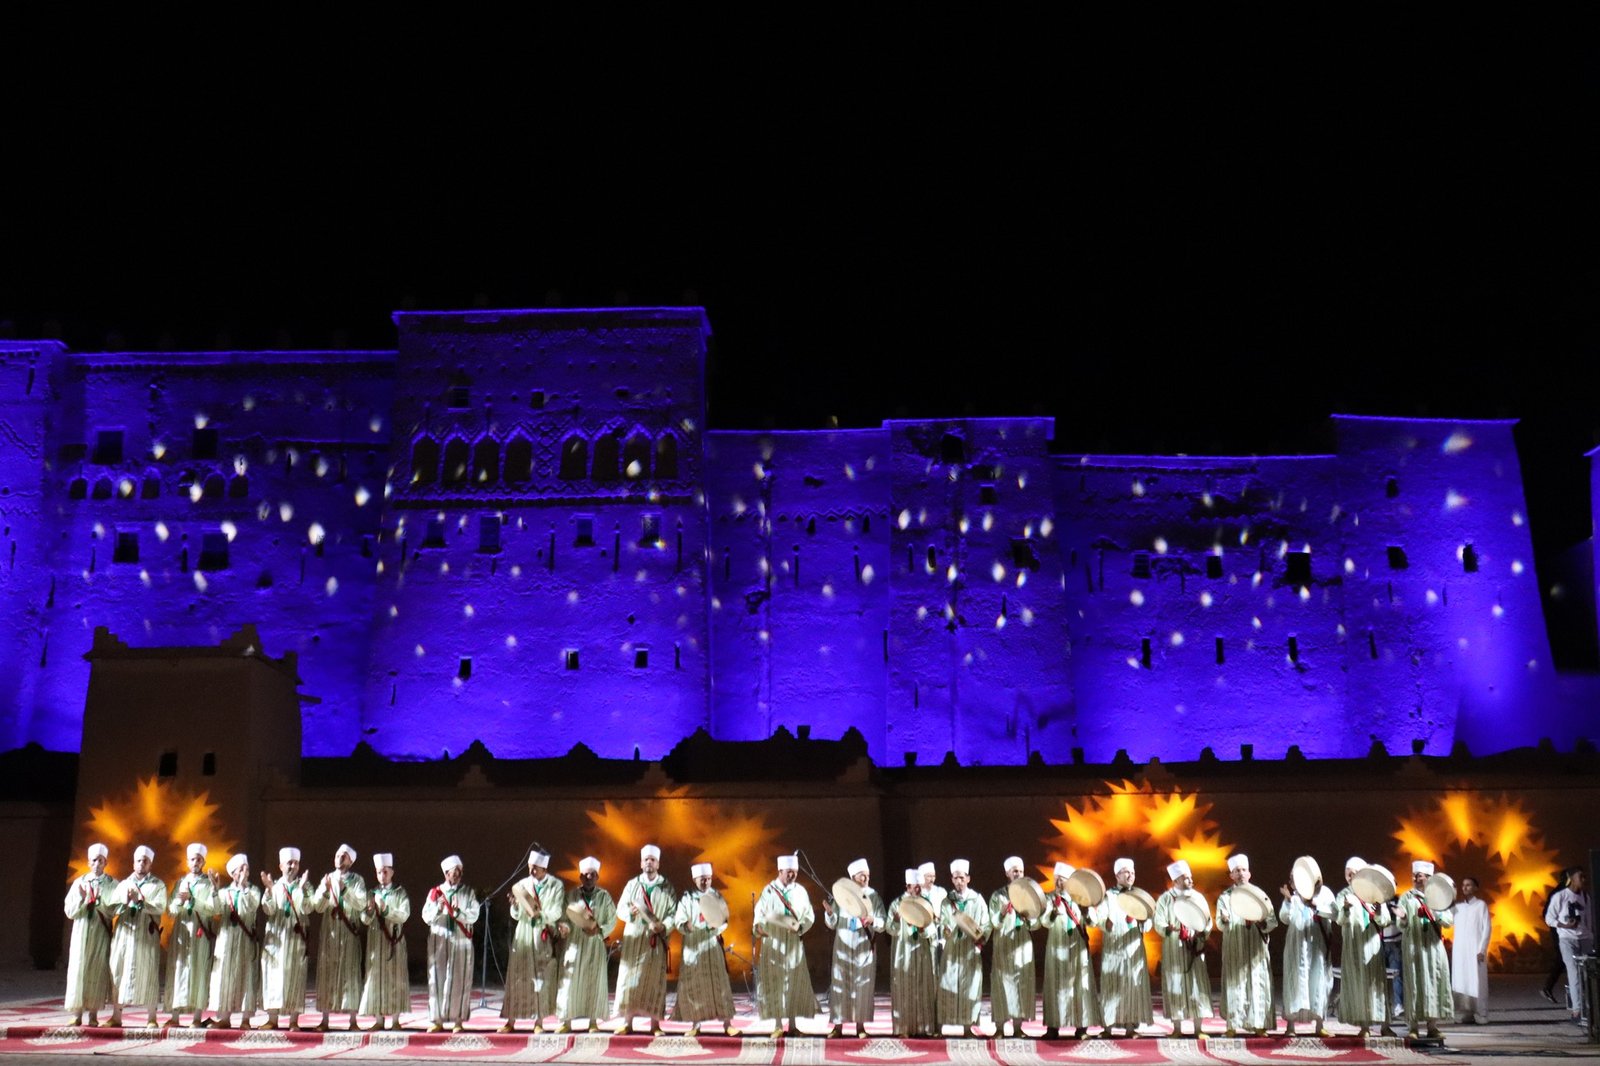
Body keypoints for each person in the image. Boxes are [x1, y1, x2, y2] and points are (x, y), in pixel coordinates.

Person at [612, 844, 676, 1034]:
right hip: (634, 938)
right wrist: (630, 913)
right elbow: (620, 909)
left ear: (658, 864)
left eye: (652, 860)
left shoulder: (666, 887)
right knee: (629, 980)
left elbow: (673, 913)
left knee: (654, 981)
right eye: (646, 859)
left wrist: (663, 925)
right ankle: (627, 1022)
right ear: (641, 863)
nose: (649, 862)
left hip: (654, 940)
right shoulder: (632, 885)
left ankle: (654, 1024)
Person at [499, 848, 564, 1033]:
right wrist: (515, 906)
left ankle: (539, 1022)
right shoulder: (522, 885)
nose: (532, 871)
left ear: (544, 869)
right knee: (518, 976)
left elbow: (557, 911)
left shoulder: (555, 885)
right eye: (530, 867)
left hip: (542, 934)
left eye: (536, 867)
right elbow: (517, 915)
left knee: (541, 978)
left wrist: (540, 915)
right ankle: (511, 1021)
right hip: (524, 933)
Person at [752, 854, 817, 1038]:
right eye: (789, 872)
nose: (792, 875)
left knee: (794, 982)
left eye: (795, 872)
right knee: (775, 982)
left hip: (793, 944)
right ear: (780, 870)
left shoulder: (801, 891)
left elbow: (809, 914)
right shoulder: (769, 891)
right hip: (774, 942)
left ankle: (793, 1025)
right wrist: (758, 927)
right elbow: (760, 912)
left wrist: (800, 927)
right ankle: (778, 1025)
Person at [670, 862, 737, 1036]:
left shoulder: (716, 895)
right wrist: (687, 925)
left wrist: (716, 926)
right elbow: (679, 920)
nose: (705, 882)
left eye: (708, 878)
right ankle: (696, 1025)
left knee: (720, 983)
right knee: (694, 985)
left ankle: (727, 1024)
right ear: (695, 879)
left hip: (712, 943)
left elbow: (725, 919)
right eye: (702, 879)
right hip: (693, 946)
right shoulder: (687, 898)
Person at [1215, 854, 1276, 1037]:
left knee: (1258, 982)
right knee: (1235, 983)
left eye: (1243, 870)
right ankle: (1232, 1026)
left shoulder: (1259, 894)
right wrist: (1225, 920)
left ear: (1249, 873)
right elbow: (1219, 923)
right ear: (1231, 875)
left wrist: (1263, 922)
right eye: (1237, 871)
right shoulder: (1225, 897)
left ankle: (1259, 1025)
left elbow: (1272, 920)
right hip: (1235, 944)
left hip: (1256, 946)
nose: (1241, 873)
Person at [1333, 857, 1394, 1037]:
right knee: (1359, 985)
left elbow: (1385, 921)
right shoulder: (1343, 895)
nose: (1350, 876)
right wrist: (1345, 908)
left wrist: (1379, 911)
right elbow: (1339, 920)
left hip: (1372, 944)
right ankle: (1364, 1026)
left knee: (1377, 985)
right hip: (1353, 945)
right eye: (1347, 873)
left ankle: (1384, 1025)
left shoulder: (1374, 892)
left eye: (1354, 873)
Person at [108, 844, 168, 1027]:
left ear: (150, 864)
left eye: (145, 861)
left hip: (145, 934)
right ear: (133, 863)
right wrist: (125, 900)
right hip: (125, 934)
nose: (141, 864)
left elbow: (160, 907)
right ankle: (116, 1016)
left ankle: (152, 1018)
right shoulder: (124, 884)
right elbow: (111, 908)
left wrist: (141, 901)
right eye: (139, 861)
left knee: (148, 972)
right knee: (119, 970)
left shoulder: (157, 885)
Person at [555, 856, 616, 1032]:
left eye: (593, 875)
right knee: (569, 981)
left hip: (595, 944)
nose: (589, 878)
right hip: (574, 943)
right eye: (586, 875)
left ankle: (593, 1022)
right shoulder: (571, 895)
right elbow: (564, 917)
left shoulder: (604, 897)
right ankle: (566, 1022)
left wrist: (600, 930)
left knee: (594, 981)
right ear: (580, 877)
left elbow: (612, 920)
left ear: (597, 877)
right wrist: (564, 927)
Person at [310, 843, 368, 1031]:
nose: (339, 858)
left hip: (349, 932)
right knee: (327, 972)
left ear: (350, 861)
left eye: (344, 856)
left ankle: (353, 1021)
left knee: (350, 973)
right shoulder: (327, 878)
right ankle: (325, 1020)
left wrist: (345, 890)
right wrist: (326, 892)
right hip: (331, 932)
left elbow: (361, 903)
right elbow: (318, 907)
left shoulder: (357, 880)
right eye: (337, 855)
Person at [824, 857, 883, 1037]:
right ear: (852, 878)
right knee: (840, 984)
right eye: (861, 875)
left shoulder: (873, 896)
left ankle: (860, 1027)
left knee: (862, 985)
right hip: (843, 945)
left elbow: (883, 922)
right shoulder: (841, 895)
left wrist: (873, 920)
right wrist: (830, 913)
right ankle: (838, 1027)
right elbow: (832, 923)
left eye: (867, 875)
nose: (865, 879)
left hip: (864, 946)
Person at [1095, 857, 1153, 1038]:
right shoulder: (1109, 896)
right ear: (1117, 875)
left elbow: (1148, 921)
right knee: (1111, 988)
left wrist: (1144, 923)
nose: (1130, 875)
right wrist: (1106, 923)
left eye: (1133, 872)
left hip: (1133, 948)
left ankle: (1130, 1027)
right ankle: (1108, 1028)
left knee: (1132, 987)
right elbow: (1100, 918)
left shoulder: (1138, 895)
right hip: (1114, 948)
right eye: (1126, 872)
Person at [1154, 859, 1212, 1038]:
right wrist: (1167, 929)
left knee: (1197, 985)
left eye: (1190, 877)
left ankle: (1198, 1028)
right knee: (1175, 984)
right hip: (1174, 947)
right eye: (1186, 878)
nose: (1190, 881)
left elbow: (1207, 920)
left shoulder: (1198, 897)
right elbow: (1158, 921)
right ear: (1176, 880)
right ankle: (1177, 1029)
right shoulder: (1165, 899)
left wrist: (1203, 932)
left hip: (1194, 947)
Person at [421, 854, 479, 1032]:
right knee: (437, 978)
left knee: (460, 980)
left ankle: (457, 1021)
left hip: (461, 942)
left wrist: (458, 912)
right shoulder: (435, 893)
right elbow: (426, 917)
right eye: (454, 873)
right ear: (446, 874)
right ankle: (437, 1020)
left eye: (460, 872)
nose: (457, 876)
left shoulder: (468, 892)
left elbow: (474, 914)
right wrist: (438, 908)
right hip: (439, 941)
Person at [1041, 861, 1098, 1039]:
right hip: (1056, 947)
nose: (1058, 883)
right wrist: (1052, 913)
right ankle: (1053, 1027)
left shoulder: (1081, 898)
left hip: (1077, 947)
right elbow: (1044, 922)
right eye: (1056, 879)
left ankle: (1081, 1027)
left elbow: (1093, 922)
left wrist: (1086, 912)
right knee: (1055, 986)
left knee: (1080, 985)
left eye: (1062, 879)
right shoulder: (1049, 898)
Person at [1396, 860, 1453, 1039]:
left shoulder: (1439, 896)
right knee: (1414, 984)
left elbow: (1448, 921)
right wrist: (1403, 918)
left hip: (1433, 949)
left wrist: (1436, 913)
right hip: (1414, 947)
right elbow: (1400, 924)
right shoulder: (1406, 897)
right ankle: (1413, 1027)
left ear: (1428, 878)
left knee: (1434, 983)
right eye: (1414, 875)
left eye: (1419, 876)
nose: (1415, 878)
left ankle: (1432, 1026)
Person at [64, 842, 117, 1027]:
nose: (97, 864)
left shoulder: (112, 884)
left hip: (100, 931)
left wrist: (99, 903)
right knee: (79, 968)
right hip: (82, 929)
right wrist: (82, 899)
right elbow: (69, 911)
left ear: (106, 862)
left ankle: (93, 1014)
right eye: (94, 860)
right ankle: (77, 1014)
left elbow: (116, 908)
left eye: (101, 860)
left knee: (97, 968)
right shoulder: (80, 882)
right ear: (88, 862)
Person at [166, 843, 219, 1029]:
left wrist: (193, 900)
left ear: (203, 862)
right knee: (178, 970)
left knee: (199, 971)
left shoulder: (208, 883)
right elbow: (171, 911)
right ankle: (174, 1017)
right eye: (192, 859)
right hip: (182, 933)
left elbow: (213, 910)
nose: (195, 862)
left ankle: (197, 1017)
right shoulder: (180, 882)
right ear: (187, 862)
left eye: (198, 859)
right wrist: (179, 902)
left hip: (199, 932)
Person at [260, 846, 312, 1030]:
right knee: (273, 975)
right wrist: (268, 891)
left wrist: (303, 889)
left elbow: (308, 908)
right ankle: (272, 1019)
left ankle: (293, 1020)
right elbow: (268, 910)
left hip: (296, 937)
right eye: (289, 863)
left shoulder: (305, 885)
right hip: (276, 938)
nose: (293, 866)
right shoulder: (274, 886)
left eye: (296, 863)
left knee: (295, 975)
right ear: (281, 866)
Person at [207, 853, 261, 1030]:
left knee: (246, 975)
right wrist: (214, 890)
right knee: (225, 975)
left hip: (245, 939)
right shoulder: (225, 893)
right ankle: (224, 1018)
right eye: (241, 869)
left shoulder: (253, 891)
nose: (245, 872)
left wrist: (244, 887)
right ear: (233, 874)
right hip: (227, 939)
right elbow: (215, 909)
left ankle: (246, 1019)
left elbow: (251, 907)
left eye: (247, 868)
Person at [937, 858, 990, 1037]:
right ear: (952, 880)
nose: (959, 881)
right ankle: (941, 1026)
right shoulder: (947, 902)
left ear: (968, 878)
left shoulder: (977, 900)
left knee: (970, 987)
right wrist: (945, 929)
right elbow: (943, 922)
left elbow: (986, 923)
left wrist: (981, 937)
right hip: (952, 948)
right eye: (955, 878)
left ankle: (967, 1027)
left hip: (970, 949)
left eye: (962, 878)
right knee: (947, 984)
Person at [988, 856, 1040, 1038]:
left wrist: (1029, 918)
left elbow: (1036, 924)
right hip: (1004, 945)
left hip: (1022, 947)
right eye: (1015, 871)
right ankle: (1000, 1028)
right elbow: (992, 923)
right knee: (1001, 984)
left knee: (1022, 984)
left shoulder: (1029, 895)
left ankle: (1018, 1027)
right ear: (1007, 873)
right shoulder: (998, 896)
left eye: (1021, 871)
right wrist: (1002, 914)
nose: (1018, 874)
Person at [1279, 870, 1335, 1036]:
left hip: (1317, 945)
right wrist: (1288, 901)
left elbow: (1335, 913)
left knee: (1319, 982)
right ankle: (1290, 1026)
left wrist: (1315, 905)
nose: (1292, 882)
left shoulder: (1324, 893)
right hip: (1297, 947)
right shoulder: (1294, 898)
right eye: (1291, 879)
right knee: (1295, 982)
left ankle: (1320, 1025)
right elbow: (1284, 918)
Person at [359, 852, 410, 1031]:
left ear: (392, 872)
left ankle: (395, 1020)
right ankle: (379, 1020)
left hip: (394, 940)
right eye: (379, 872)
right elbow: (364, 920)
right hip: (376, 942)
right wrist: (369, 910)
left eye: (385, 871)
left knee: (396, 979)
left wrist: (386, 909)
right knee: (375, 979)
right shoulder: (371, 893)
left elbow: (404, 915)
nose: (382, 875)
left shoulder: (400, 892)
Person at [886, 868, 937, 1038]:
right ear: (907, 887)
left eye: (918, 887)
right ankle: (903, 1028)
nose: (916, 891)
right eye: (913, 887)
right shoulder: (897, 904)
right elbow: (889, 929)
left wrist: (924, 929)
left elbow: (932, 930)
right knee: (904, 989)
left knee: (923, 988)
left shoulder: (926, 903)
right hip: (903, 952)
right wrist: (895, 921)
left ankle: (924, 1028)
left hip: (921, 951)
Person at [1545, 867, 1593, 1026]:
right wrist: (1564, 925)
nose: (1583, 880)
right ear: (1571, 878)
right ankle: (1577, 1011)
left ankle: (1589, 1009)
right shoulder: (1560, 896)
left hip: (1584, 939)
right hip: (1567, 939)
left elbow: (1589, 919)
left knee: (1587, 975)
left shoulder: (1585, 897)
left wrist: (1590, 936)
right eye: (1581, 877)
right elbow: (1549, 918)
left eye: (1584, 877)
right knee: (1574, 973)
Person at [1451, 876, 1491, 1024]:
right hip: (1460, 951)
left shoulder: (1481, 905)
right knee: (1461, 981)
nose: (1465, 887)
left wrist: (1482, 949)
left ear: (1475, 888)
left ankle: (1481, 1013)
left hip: (1475, 950)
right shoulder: (1457, 907)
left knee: (1477, 981)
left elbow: (1487, 928)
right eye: (1463, 885)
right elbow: (1446, 921)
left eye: (1469, 885)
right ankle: (1464, 1013)